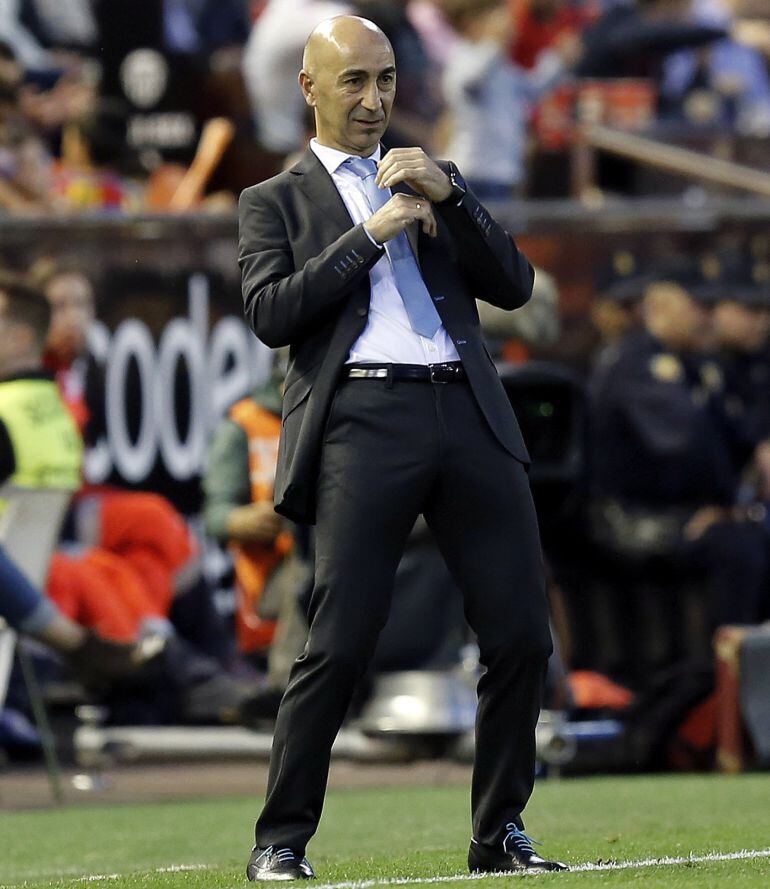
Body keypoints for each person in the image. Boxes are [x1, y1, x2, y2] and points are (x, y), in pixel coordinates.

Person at [238, 14, 564, 879]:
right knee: (340, 638)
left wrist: (452, 198)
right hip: (362, 418)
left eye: (384, 79)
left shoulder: (430, 174)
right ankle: (279, 842)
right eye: (354, 81)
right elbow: (272, 312)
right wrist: (370, 234)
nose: (375, 98)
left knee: (523, 634)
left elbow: (515, 284)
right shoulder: (274, 200)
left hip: (466, 406)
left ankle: (500, 833)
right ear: (310, 87)